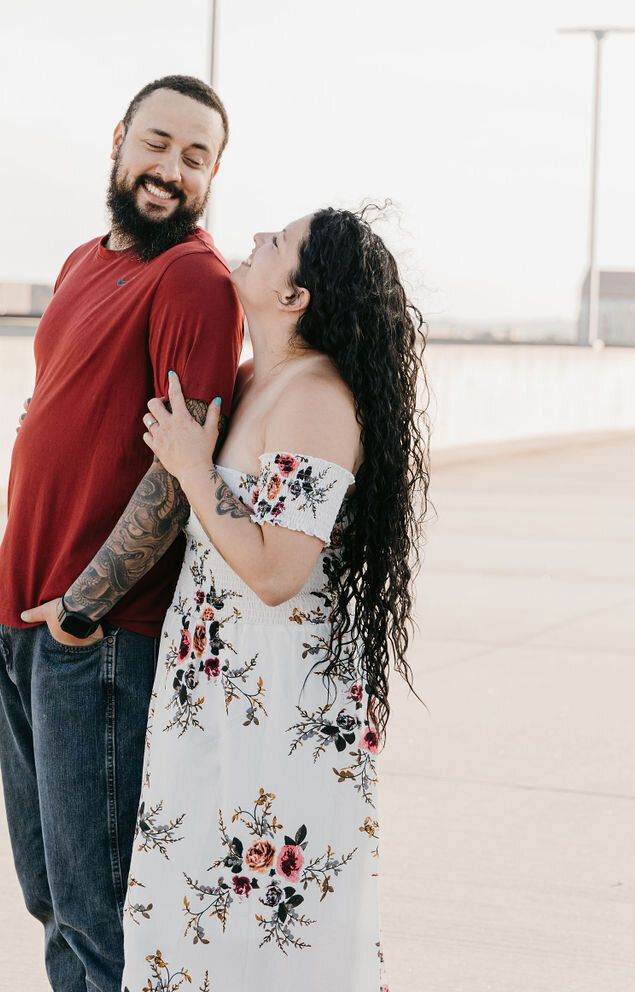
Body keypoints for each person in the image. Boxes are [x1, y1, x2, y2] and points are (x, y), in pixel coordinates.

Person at [0, 74, 245, 992]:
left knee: (100, 920)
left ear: (213, 174)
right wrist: (5, 615)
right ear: (120, 139)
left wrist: (82, 612)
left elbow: (180, 472)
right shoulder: (81, 262)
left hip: (99, 643)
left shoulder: (197, 282)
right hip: (28, 622)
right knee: (50, 899)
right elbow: (48, 431)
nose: (171, 168)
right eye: (158, 143)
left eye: (195, 156)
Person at [120, 207, 429, 992]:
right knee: (202, 918)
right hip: (223, 687)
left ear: (295, 298)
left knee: (275, 936)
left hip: (275, 699)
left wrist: (195, 468)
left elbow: (278, 571)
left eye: (279, 243)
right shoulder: (261, 379)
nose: (258, 239)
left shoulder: (314, 398)